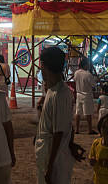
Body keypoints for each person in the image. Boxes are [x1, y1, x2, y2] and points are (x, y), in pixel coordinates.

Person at [35, 46, 83, 184]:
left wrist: (50, 168)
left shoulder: (60, 94)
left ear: (44, 65)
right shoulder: (52, 90)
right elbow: (67, 124)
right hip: (50, 152)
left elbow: (58, 133)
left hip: (54, 157)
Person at [74, 57, 96, 135]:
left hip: (78, 94)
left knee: (78, 112)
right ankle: (89, 129)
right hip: (86, 95)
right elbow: (93, 85)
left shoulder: (76, 73)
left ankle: (77, 129)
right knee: (88, 113)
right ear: (86, 65)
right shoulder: (88, 74)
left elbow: (75, 81)